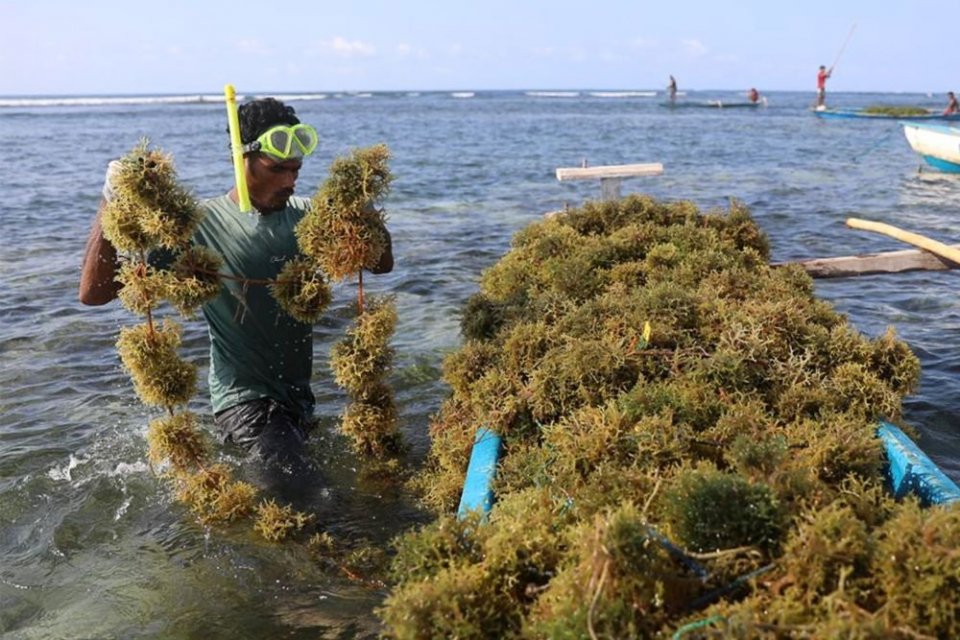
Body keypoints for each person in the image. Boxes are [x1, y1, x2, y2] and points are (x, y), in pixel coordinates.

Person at [79, 98, 394, 474]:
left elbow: (380, 265)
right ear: (240, 158)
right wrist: (109, 202)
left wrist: (365, 210)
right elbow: (94, 294)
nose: (290, 181)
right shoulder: (198, 225)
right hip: (243, 401)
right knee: (301, 494)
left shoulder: (310, 217)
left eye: (296, 169)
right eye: (278, 169)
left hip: (299, 400)